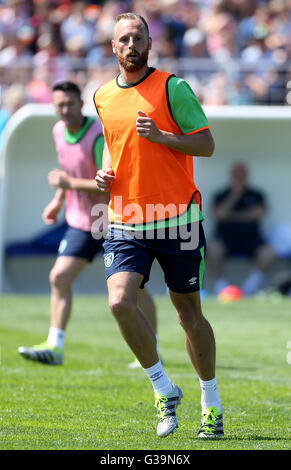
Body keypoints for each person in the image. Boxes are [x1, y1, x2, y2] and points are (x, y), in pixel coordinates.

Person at [94, 13, 223, 439]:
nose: (131, 44)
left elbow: (205, 144)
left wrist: (165, 137)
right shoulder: (101, 96)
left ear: (150, 43)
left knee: (188, 315)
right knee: (118, 302)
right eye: (123, 39)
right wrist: (105, 172)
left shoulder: (173, 87)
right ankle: (164, 389)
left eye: (138, 37)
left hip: (178, 219)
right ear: (113, 48)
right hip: (125, 219)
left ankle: (210, 402)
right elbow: (116, 148)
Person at [18, 80, 159, 367]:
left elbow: (106, 186)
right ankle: (55, 346)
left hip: (112, 221)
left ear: (81, 104)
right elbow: (68, 171)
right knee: (59, 277)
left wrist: (68, 184)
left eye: (70, 103)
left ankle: (152, 347)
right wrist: (58, 200)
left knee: (137, 290)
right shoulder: (58, 131)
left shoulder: (97, 135)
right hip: (82, 222)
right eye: (60, 105)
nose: (65, 109)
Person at [207, 162, 275, 295]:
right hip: (226, 238)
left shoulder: (256, 194)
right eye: (237, 175)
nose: (239, 177)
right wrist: (235, 195)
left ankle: (249, 288)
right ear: (232, 176)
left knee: (269, 253)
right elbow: (219, 215)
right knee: (212, 249)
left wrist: (231, 216)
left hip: (251, 238)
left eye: (242, 174)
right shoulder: (221, 194)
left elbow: (258, 214)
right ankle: (221, 286)